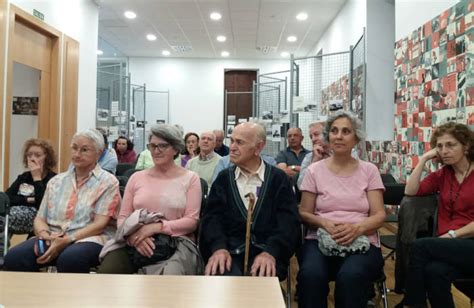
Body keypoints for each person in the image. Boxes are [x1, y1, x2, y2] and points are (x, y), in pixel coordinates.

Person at [297, 111, 386, 308]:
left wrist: (358, 228)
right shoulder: (314, 171)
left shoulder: (369, 170)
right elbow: (304, 213)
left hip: (362, 240)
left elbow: (379, 215)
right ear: (328, 136)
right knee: (310, 275)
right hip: (320, 237)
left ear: (356, 138)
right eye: (334, 131)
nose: (339, 136)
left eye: (346, 131)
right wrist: (324, 223)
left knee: (351, 277)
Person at [3, 129, 121, 273]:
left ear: (99, 152)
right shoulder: (56, 181)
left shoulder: (108, 182)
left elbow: (99, 225)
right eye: (74, 148)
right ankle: (36, 294)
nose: (77, 154)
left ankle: (69, 295)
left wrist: (67, 239)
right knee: (14, 258)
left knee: (71, 258)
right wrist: (44, 234)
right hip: (52, 235)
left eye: (84, 150)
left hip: (89, 238)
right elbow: (40, 218)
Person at [200, 122, 300, 279]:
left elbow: (288, 223)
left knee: (261, 281)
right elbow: (211, 219)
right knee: (221, 277)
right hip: (228, 252)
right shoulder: (223, 179)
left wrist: (271, 252)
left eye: (239, 142)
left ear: (258, 147)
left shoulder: (278, 179)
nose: (232, 147)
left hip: (267, 252)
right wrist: (218, 248)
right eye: (231, 141)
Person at [98, 124, 202, 275]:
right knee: (108, 272)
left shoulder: (190, 178)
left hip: (176, 242)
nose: (156, 151)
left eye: (162, 146)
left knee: (168, 281)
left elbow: (192, 221)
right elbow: (122, 217)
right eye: (152, 146)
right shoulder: (136, 177)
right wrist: (134, 237)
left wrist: (157, 227)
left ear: (175, 148)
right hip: (133, 238)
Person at [400, 122, 474, 308]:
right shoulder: (442, 175)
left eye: (451, 145)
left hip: (467, 243)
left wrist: (452, 235)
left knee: (419, 246)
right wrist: (424, 159)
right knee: (434, 272)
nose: (444, 151)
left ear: (466, 146)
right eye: (439, 146)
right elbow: (410, 191)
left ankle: (412, 303)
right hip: (448, 245)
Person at [6, 139, 57, 235]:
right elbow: (7, 198)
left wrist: (37, 178)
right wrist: (28, 200)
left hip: (39, 220)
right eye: (29, 155)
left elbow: (43, 205)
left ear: (47, 158)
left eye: (37, 155)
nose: (32, 159)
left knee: (3, 219)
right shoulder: (24, 177)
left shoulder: (54, 179)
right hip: (14, 213)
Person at [297, 121, 330, 189]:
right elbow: (301, 185)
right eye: (311, 136)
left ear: (328, 134)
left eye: (316, 134)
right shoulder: (309, 157)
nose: (313, 139)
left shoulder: (344, 154)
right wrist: (314, 161)